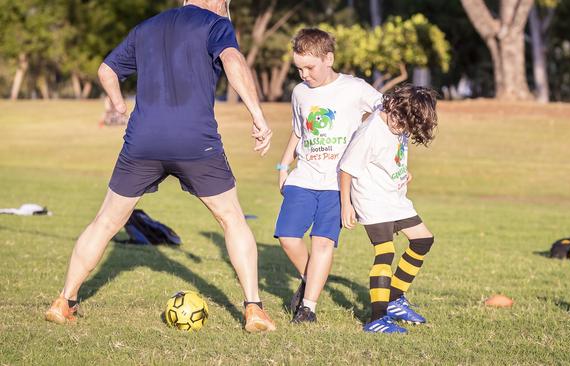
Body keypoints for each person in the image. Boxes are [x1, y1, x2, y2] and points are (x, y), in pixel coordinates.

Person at [44, 0, 277, 333]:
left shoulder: (147, 27)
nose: (226, 7)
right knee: (231, 218)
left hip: (143, 141)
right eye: (225, 2)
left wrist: (119, 104)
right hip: (195, 141)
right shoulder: (214, 24)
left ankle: (63, 302)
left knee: (106, 220)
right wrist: (257, 114)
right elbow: (233, 59)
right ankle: (254, 309)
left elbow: (106, 70)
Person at [275, 28, 382, 323]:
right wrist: (284, 167)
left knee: (322, 241)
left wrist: (390, 160)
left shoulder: (356, 88)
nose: (303, 74)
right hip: (304, 175)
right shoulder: (299, 93)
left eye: (309, 67)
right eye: (299, 68)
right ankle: (311, 279)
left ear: (329, 59)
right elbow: (299, 132)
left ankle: (308, 307)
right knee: (287, 236)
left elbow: (387, 117)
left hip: (338, 182)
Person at [339, 84, 438, 333]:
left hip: (394, 198)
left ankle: (394, 299)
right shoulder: (371, 130)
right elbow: (346, 168)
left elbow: (389, 157)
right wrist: (346, 205)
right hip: (371, 200)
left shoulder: (399, 122)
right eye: (402, 123)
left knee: (423, 239)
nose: (403, 129)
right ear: (394, 106)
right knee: (385, 253)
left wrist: (403, 173)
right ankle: (376, 318)